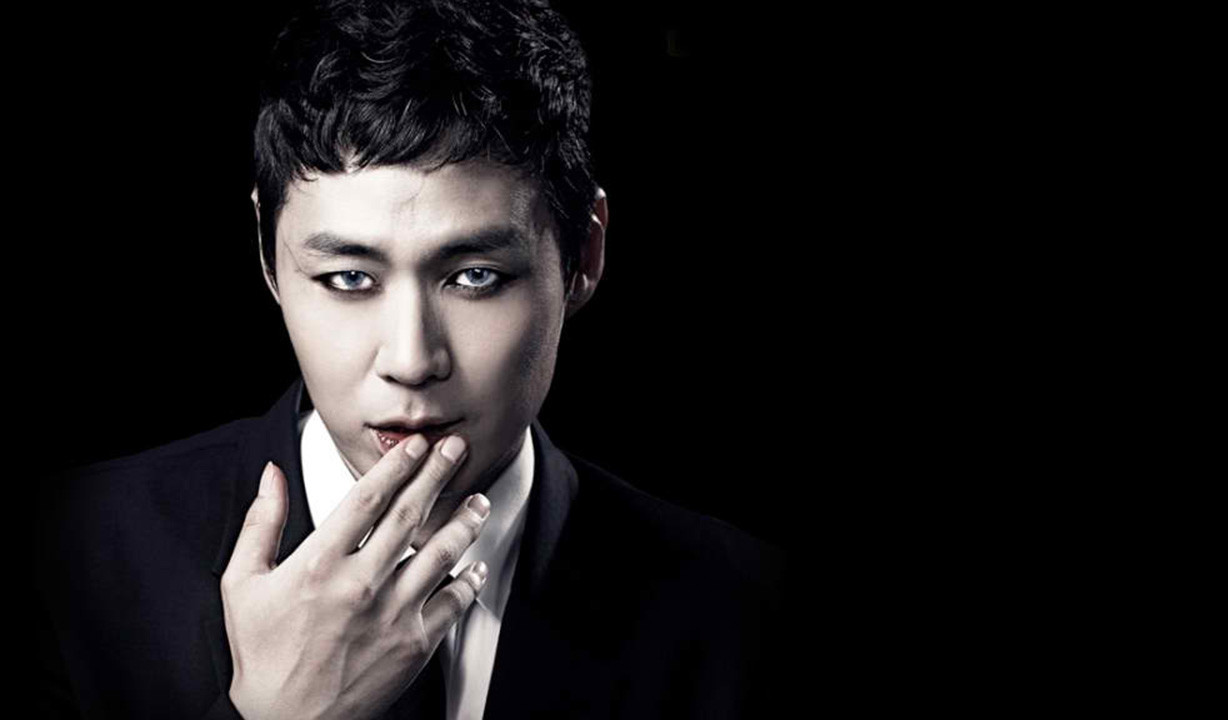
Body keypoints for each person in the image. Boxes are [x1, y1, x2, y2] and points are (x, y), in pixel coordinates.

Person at [35, 1, 788, 718]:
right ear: (268, 256)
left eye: (475, 277)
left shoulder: (746, 615)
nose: (411, 360)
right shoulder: (68, 556)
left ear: (584, 255)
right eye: (348, 278)